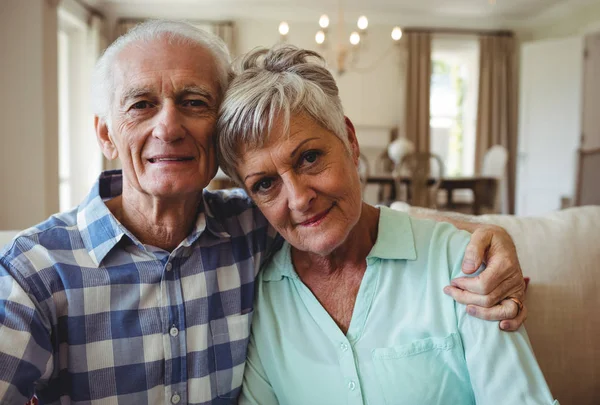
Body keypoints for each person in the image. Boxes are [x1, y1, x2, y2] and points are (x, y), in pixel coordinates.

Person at [0, 21, 524, 405]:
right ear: (105, 134)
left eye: (194, 101)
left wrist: (486, 236)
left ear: (218, 132)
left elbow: (363, 220)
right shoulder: (35, 271)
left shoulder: (252, 223)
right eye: (140, 104)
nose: (169, 126)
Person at [215, 45, 558, 404]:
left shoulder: (459, 262)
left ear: (350, 140)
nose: (299, 199)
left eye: (310, 158)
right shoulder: (263, 298)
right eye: (265, 184)